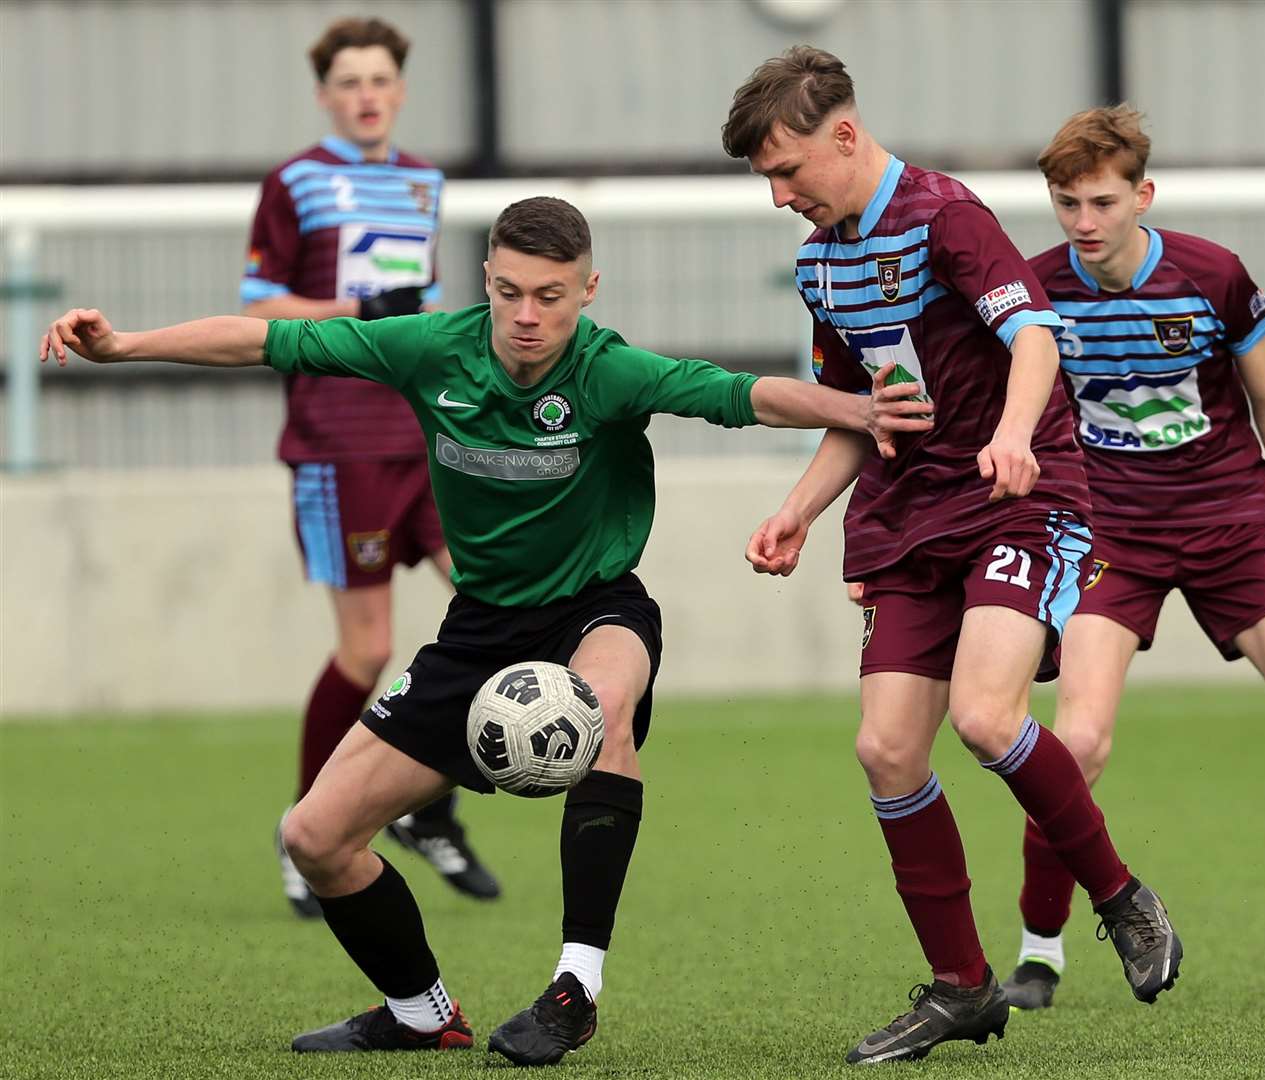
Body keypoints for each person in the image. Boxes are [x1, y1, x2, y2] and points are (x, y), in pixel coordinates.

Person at [41, 195, 930, 1061]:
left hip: (597, 607)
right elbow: (273, 340)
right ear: (486, 281)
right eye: (509, 292)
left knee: (603, 709)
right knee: (313, 837)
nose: (527, 316)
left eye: (550, 296)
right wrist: (124, 346)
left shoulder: (609, 370)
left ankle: (574, 987)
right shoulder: (434, 348)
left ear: (589, 291)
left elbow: (739, 393)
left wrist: (857, 409)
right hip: (477, 631)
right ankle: (420, 1012)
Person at [722, 47, 1183, 1066]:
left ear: (843, 135)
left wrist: (1015, 432)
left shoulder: (946, 216)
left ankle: (1119, 895)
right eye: (766, 180)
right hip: (903, 518)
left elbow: (1035, 340)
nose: (780, 196)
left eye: (787, 171)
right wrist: (797, 509)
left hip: (1014, 500)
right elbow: (864, 412)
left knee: (983, 715)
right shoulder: (818, 263)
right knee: (886, 750)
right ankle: (962, 988)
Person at [996, 104, 1265, 1008]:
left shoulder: (1212, 276)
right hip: (1110, 533)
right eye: (1066, 203)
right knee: (1076, 745)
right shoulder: (1034, 294)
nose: (1085, 222)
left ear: (1142, 196)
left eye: (1103, 201)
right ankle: (1039, 951)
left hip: (1232, 522)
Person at [239, 17, 498, 915]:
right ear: (324, 95)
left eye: (379, 78)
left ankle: (425, 808)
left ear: (399, 87)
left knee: (497, 607)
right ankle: (307, 829)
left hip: (424, 439)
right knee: (369, 647)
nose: (366, 94)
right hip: (337, 440)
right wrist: (354, 305)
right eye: (348, 81)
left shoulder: (421, 181)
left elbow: (418, 312)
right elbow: (260, 305)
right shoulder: (296, 182)